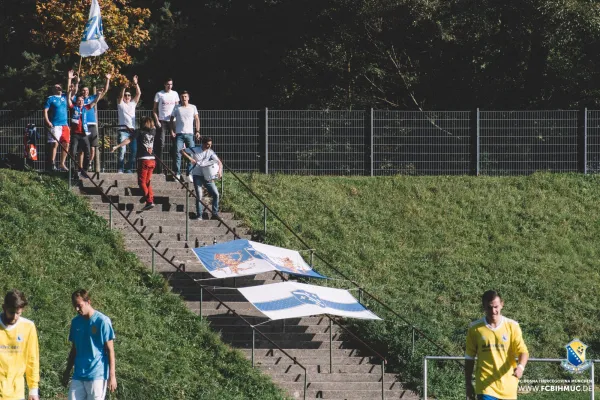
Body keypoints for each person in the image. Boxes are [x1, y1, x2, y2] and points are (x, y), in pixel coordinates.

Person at [465, 290, 529, 400]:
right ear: (484, 307)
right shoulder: (475, 328)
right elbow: (469, 357)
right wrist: (468, 384)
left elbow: (523, 351)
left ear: (502, 304)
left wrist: (520, 367)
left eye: (496, 307)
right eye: (489, 308)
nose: (493, 311)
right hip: (485, 386)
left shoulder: (512, 326)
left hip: (508, 386)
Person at [62, 289, 116, 400]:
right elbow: (74, 349)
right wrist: (67, 371)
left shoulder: (102, 321)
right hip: (78, 373)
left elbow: (110, 350)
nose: (77, 309)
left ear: (88, 302)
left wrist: (112, 376)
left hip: (97, 374)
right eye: (74, 306)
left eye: (79, 305)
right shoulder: (75, 322)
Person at [0, 290, 40, 400]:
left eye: (18, 313)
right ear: (4, 307)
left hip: (16, 392)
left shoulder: (28, 327)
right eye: (11, 312)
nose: (14, 317)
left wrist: (33, 389)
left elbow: (32, 359)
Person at [111, 116, 157, 211]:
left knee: (141, 182)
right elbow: (154, 126)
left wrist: (117, 146)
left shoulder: (139, 132)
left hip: (144, 160)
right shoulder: (153, 132)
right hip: (152, 160)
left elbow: (128, 140)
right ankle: (149, 198)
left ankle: (149, 200)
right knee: (148, 182)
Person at [71, 73, 111, 171]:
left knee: (93, 147)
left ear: (89, 91)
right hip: (81, 127)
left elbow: (104, 91)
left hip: (92, 125)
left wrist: (107, 80)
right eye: (83, 90)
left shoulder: (92, 98)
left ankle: (88, 163)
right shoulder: (78, 100)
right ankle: (79, 167)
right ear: (81, 91)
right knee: (81, 149)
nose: (85, 91)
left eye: (87, 90)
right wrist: (76, 82)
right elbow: (71, 95)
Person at [181, 137, 223, 220]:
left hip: (207, 175)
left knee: (216, 194)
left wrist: (220, 171)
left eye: (210, 145)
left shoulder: (210, 152)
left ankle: (214, 213)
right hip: (197, 175)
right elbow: (182, 150)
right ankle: (199, 215)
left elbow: (219, 162)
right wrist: (190, 158)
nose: (209, 146)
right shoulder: (195, 149)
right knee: (199, 195)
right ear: (203, 144)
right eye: (207, 144)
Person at [44, 70, 75, 171]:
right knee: (55, 144)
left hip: (64, 125)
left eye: (59, 87)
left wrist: (70, 79)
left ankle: (62, 164)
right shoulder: (51, 98)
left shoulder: (65, 97)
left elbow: (71, 91)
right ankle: (52, 163)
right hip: (55, 125)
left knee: (66, 144)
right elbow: (45, 110)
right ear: (53, 89)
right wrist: (47, 121)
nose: (58, 88)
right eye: (56, 87)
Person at [68, 93, 100, 178]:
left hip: (84, 134)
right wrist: (69, 92)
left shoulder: (86, 108)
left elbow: (95, 102)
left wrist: (98, 95)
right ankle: (73, 170)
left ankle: (84, 170)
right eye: (79, 100)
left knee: (87, 152)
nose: (81, 102)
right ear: (77, 101)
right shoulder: (74, 107)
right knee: (73, 152)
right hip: (75, 134)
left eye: (82, 100)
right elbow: (69, 100)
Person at [170, 90, 200, 181]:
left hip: (190, 134)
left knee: (191, 153)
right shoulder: (176, 107)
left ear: (188, 98)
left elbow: (197, 119)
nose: (184, 98)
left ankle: (189, 174)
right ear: (180, 98)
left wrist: (197, 131)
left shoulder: (193, 107)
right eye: (182, 97)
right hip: (179, 134)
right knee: (177, 153)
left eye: (185, 96)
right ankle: (177, 173)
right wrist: (172, 130)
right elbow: (171, 119)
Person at [152, 78, 179, 173]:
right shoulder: (159, 94)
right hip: (162, 121)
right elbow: (154, 109)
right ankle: (158, 169)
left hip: (173, 121)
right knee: (161, 144)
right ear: (164, 84)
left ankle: (176, 169)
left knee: (176, 144)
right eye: (168, 84)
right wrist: (157, 121)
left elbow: (177, 108)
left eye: (171, 84)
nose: (169, 86)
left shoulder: (175, 94)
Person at [116, 75, 141, 173]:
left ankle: (129, 168)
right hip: (123, 130)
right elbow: (120, 97)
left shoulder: (133, 104)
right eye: (126, 95)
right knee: (122, 150)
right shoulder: (120, 104)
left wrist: (135, 84)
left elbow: (138, 93)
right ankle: (120, 168)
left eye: (129, 95)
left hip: (132, 131)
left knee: (134, 151)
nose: (127, 97)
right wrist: (124, 88)